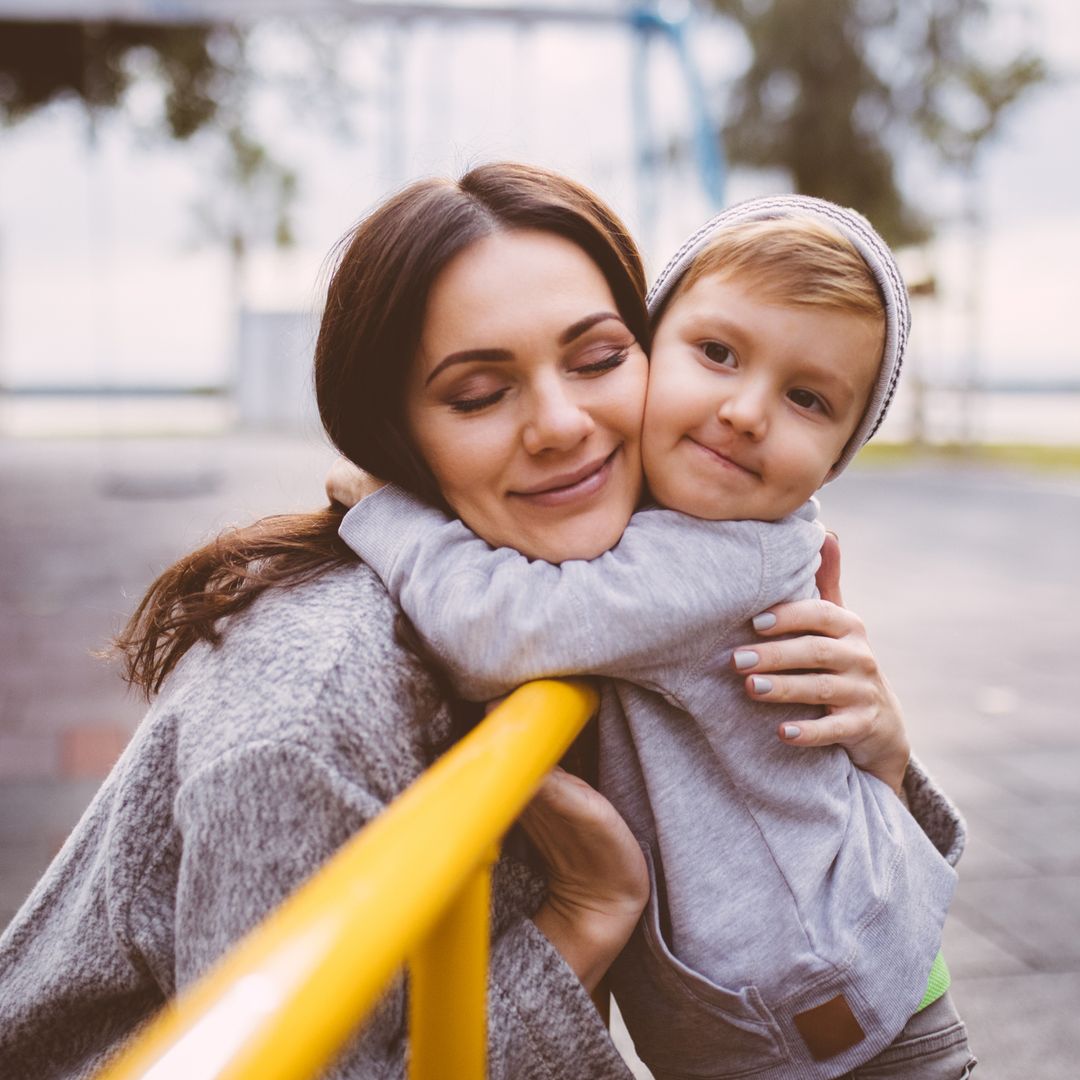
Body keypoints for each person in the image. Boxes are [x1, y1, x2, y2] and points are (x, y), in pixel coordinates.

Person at [0, 165, 955, 1080]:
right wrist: (582, 920)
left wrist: (875, 751)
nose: (561, 424)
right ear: (388, 429)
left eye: (597, 358)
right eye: (477, 393)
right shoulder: (306, 720)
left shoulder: (647, 567)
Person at [332, 196, 975, 1078]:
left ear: (833, 463)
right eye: (716, 353)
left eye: (808, 398)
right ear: (651, 345)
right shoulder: (677, 521)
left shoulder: (719, 557)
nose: (747, 411)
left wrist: (385, 510)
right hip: (849, 962)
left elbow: (503, 628)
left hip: (836, 1027)